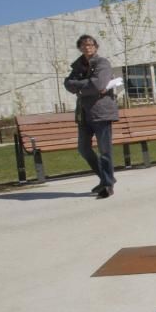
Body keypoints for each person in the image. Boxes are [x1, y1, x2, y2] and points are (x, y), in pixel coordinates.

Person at [63, 35, 119, 198]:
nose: (87, 47)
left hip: (101, 112)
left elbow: (99, 84)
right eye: (83, 45)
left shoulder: (102, 63)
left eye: (90, 44)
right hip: (84, 113)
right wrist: (85, 86)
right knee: (84, 148)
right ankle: (105, 178)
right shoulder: (78, 65)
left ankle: (108, 185)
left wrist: (79, 87)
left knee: (104, 151)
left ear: (95, 47)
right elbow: (67, 83)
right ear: (80, 47)